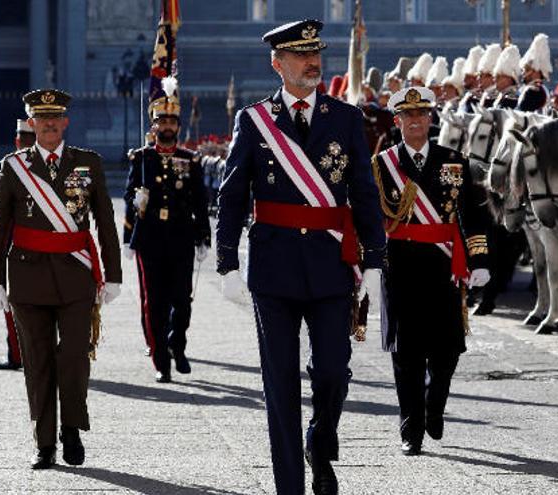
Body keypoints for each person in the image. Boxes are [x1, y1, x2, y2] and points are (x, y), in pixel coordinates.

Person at [216, 19, 386, 495]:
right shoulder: (253, 121)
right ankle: (288, 486)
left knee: (333, 370)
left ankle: (321, 440)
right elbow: (232, 196)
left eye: (315, 53)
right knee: (280, 385)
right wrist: (227, 262)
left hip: (331, 265)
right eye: (299, 54)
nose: (312, 62)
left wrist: (374, 259)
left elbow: (364, 193)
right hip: (273, 268)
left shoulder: (346, 118)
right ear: (277, 63)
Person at [0, 89, 122, 469]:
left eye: (55, 117)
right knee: (38, 362)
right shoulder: (13, 167)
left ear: (65, 122)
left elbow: (105, 223)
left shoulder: (87, 163)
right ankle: (44, 443)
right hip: (27, 278)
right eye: (40, 118)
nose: (48, 124)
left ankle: (72, 428)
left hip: (77, 276)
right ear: (31, 123)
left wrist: (113, 275)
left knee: (75, 356)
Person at [373, 87, 490, 455]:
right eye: (408, 115)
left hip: (444, 266)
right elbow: (370, 219)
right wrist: (367, 266)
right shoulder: (382, 165)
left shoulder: (455, 162)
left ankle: (433, 403)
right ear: (397, 121)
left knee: (447, 350)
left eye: (421, 114)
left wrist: (480, 260)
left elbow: (473, 215)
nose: (415, 121)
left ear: (430, 119)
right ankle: (411, 429)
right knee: (406, 354)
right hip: (401, 266)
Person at [123, 76, 211, 383]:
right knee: (155, 302)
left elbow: (201, 200)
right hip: (149, 238)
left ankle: (178, 343)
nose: (168, 126)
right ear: (154, 124)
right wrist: (127, 236)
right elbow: (129, 197)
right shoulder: (142, 157)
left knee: (182, 300)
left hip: (181, 237)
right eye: (163, 121)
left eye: (173, 121)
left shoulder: (190, 159)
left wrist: (203, 236)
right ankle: (162, 361)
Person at [0, 119, 36, 370]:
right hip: (10, 246)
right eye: (23, 139)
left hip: (39, 245)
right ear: (17, 141)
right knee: (11, 304)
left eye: (30, 139)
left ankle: (32, 354)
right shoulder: (4, 166)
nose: (26, 144)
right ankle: (17, 354)